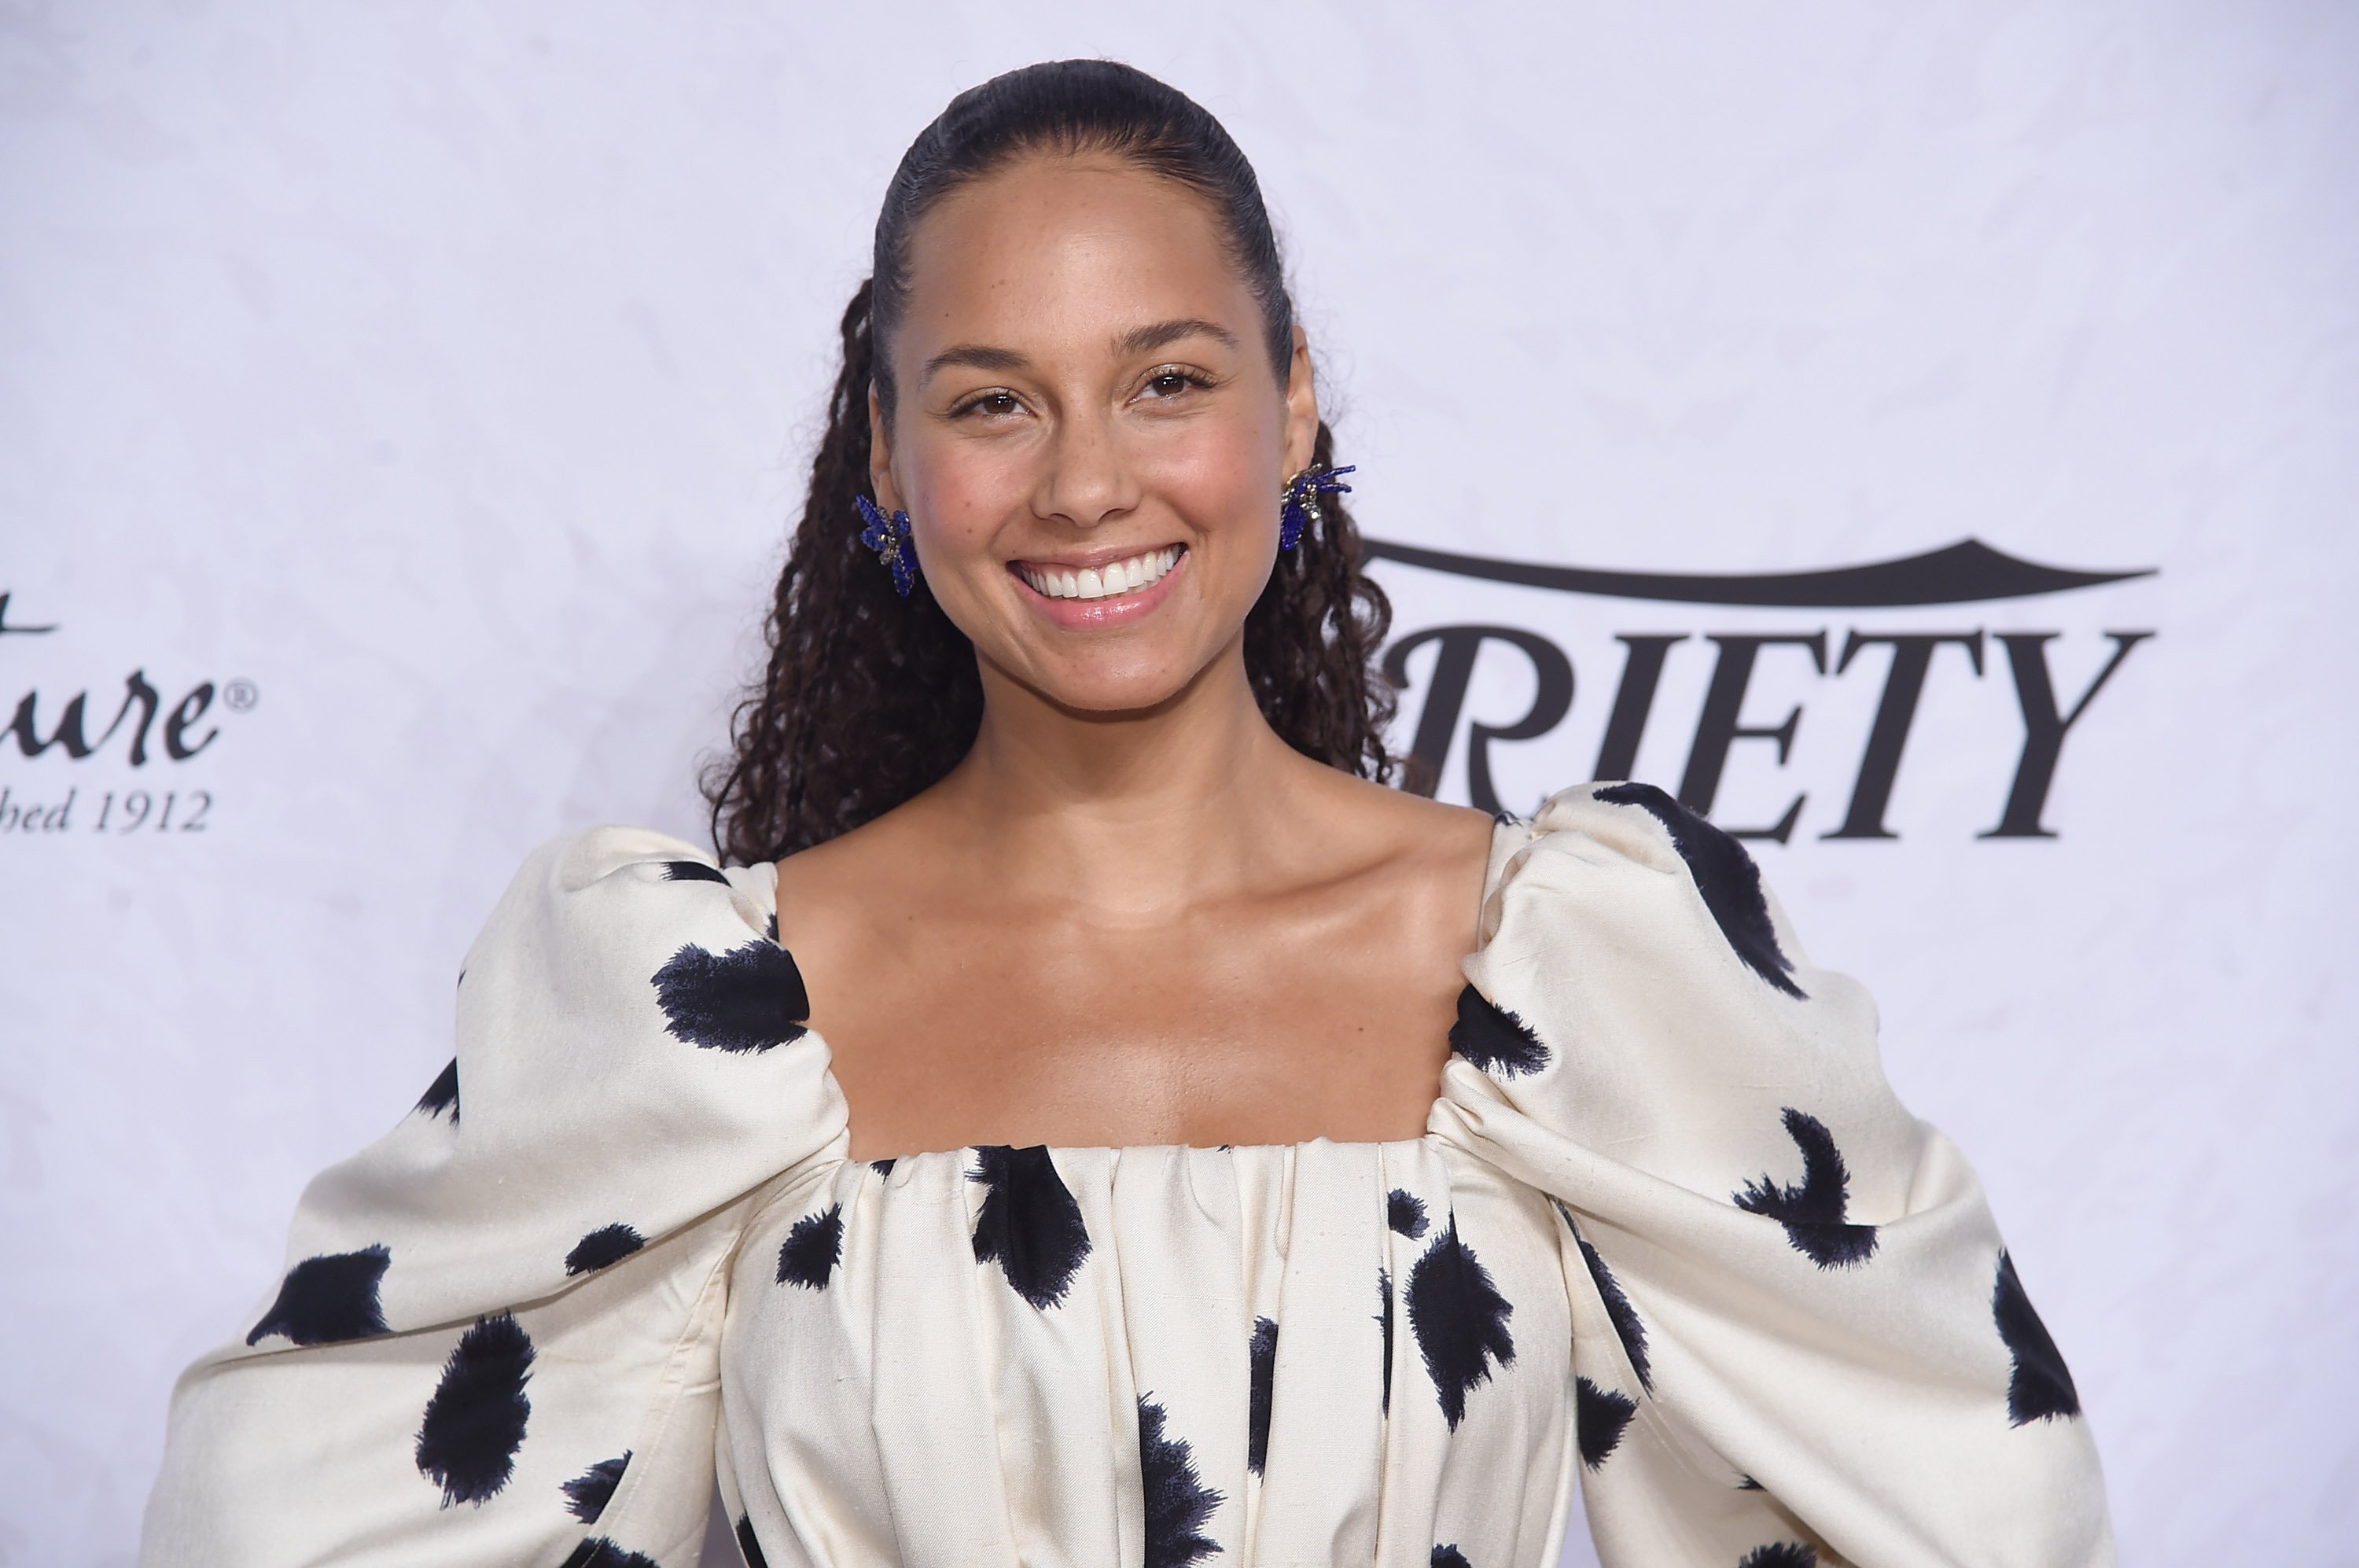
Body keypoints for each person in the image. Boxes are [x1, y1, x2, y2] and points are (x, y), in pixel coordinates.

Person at [140, 59, 2112, 1568]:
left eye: (1166, 380)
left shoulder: (1573, 975)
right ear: (893, 469)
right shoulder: (707, 1020)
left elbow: (1974, 1501)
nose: (1088, 483)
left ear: (1294, 408)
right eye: (994, 402)